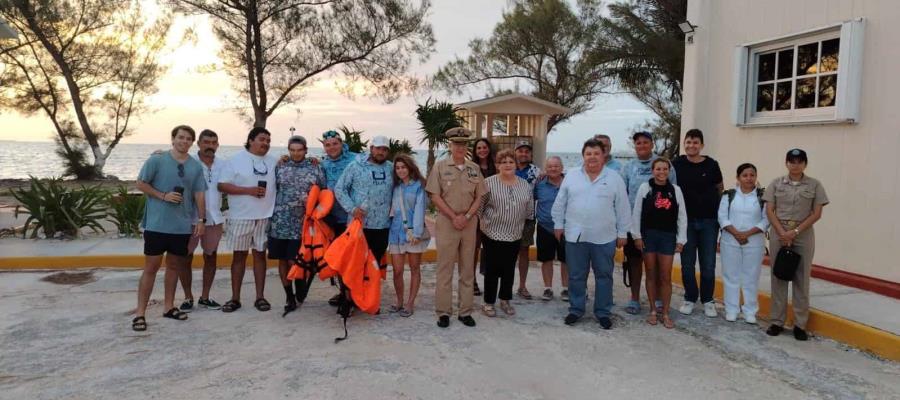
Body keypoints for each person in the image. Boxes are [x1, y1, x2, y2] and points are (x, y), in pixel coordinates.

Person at [132, 125, 207, 331]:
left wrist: (201, 220)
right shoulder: (157, 160)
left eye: (188, 139)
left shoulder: (195, 166)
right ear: (173, 139)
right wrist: (163, 195)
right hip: (157, 224)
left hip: (181, 226)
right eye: (181, 137)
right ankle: (140, 313)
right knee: (151, 268)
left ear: (192, 142)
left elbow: (199, 193)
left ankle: (168, 307)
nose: (184, 141)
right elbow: (140, 183)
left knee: (174, 267)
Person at [552, 139, 631, 329]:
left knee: (604, 275)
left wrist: (623, 232)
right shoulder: (571, 176)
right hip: (575, 235)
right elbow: (560, 202)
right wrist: (558, 224)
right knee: (576, 275)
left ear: (603, 156)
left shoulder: (614, 178)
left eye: (596, 153)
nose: (592, 157)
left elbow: (623, 208)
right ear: (583, 156)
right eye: (588, 154)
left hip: (604, 237)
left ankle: (603, 312)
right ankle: (576, 309)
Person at [763, 149, 828, 341]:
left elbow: (816, 213)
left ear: (805, 164)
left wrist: (795, 232)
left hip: (803, 235)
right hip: (779, 233)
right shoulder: (776, 183)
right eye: (792, 161)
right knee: (779, 277)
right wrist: (783, 233)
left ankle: (800, 324)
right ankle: (776, 321)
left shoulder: (815, 185)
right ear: (786, 163)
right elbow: (769, 209)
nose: (795, 165)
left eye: (799, 161)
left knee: (802, 279)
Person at [426, 127, 486, 328]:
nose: (460, 147)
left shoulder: (474, 169)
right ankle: (443, 312)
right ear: (450, 145)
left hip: (469, 223)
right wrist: (454, 217)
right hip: (447, 222)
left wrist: (467, 216)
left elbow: (479, 196)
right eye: (456, 143)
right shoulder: (440, 167)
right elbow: (435, 195)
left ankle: (465, 311)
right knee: (445, 269)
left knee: (467, 268)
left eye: (463, 143)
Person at [217, 127, 277, 313]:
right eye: (261, 139)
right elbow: (222, 185)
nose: (265, 143)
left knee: (260, 256)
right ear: (251, 140)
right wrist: (248, 190)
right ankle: (235, 298)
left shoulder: (274, 161)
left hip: (265, 216)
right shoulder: (235, 160)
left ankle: (260, 297)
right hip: (241, 217)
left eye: (268, 140)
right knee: (239, 257)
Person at [620, 131, 677, 315]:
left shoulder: (664, 165)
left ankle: (659, 299)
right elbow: (622, 195)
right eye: (638, 143)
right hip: (634, 224)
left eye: (645, 142)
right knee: (635, 263)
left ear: (652, 144)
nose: (642, 146)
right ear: (635, 146)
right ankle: (635, 299)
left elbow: (674, 193)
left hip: (660, 225)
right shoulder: (628, 167)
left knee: (658, 265)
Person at [269, 135, 326, 315]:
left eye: (299, 150)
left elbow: (323, 192)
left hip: (302, 224)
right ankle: (289, 296)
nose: (295, 153)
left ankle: (301, 290)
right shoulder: (280, 166)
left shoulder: (315, 167)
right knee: (283, 260)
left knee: (298, 260)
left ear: (306, 150)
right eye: (292, 150)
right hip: (279, 222)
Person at [672, 129, 724, 318]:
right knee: (687, 264)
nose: (691, 145)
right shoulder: (676, 164)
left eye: (695, 142)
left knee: (708, 263)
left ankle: (708, 300)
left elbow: (720, 188)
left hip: (709, 221)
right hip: (685, 222)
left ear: (701, 145)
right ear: (684, 144)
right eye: (688, 142)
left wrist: (719, 215)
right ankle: (690, 297)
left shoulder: (712, 165)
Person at [630, 158, 687, 329]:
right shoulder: (644, 188)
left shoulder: (676, 190)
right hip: (649, 236)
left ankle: (666, 313)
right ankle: (653, 310)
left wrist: (681, 239)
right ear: (652, 171)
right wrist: (637, 236)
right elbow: (637, 213)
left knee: (665, 275)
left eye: (665, 169)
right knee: (651, 273)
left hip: (668, 236)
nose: (661, 172)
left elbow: (682, 217)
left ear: (669, 171)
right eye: (658, 169)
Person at [479, 149, 534, 317]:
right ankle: (488, 302)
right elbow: (480, 206)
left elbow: (529, 209)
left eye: (511, 162)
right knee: (492, 269)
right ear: (497, 165)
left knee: (509, 269)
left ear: (516, 165)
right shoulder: (488, 183)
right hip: (491, 234)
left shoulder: (524, 184)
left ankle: (505, 299)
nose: (507, 165)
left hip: (515, 234)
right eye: (503, 162)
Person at [177, 129, 224, 312]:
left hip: (215, 219)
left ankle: (205, 297)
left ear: (217, 145)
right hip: (190, 219)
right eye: (206, 142)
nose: (210, 146)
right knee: (185, 258)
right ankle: (188, 297)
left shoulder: (223, 164)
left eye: (213, 143)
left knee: (211, 257)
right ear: (199, 144)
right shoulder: (188, 163)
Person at [334, 136, 394, 274]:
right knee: (355, 264)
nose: (381, 152)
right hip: (358, 225)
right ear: (371, 148)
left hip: (382, 226)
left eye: (385, 149)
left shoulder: (391, 168)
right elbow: (340, 189)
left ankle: (369, 295)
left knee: (374, 265)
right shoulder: (355, 166)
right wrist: (352, 209)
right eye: (378, 148)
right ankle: (351, 295)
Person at [718, 163, 768, 324]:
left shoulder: (762, 197)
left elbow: (766, 220)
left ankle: (750, 310)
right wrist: (736, 233)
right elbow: (722, 217)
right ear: (738, 178)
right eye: (745, 175)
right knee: (731, 275)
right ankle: (732, 309)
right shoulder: (729, 195)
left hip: (754, 242)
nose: (749, 178)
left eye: (752, 175)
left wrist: (747, 233)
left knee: (751, 276)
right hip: (730, 240)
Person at [320, 130, 362, 306]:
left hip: (353, 218)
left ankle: (356, 295)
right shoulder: (323, 164)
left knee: (354, 259)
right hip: (333, 218)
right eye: (327, 145)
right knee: (338, 258)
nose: (331, 148)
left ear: (341, 143)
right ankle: (344, 292)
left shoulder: (356, 160)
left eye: (335, 144)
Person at [388, 154, 430, 317]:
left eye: (403, 167)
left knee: (414, 269)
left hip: (413, 233)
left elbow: (420, 209)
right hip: (395, 233)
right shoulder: (395, 187)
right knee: (397, 271)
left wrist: (417, 232)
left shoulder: (419, 186)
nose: (400, 170)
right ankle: (399, 301)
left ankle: (410, 303)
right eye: (397, 168)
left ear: (410, 167)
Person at [534, 156, 568, 301]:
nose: (553, 169)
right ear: (545, 169)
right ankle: (548, 288)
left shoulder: (570, 183)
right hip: (544, 227)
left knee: (566, 260)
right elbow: (531, 200)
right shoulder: (539, 184)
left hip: (566, 228)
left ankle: (566, 288)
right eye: (550, 166)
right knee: (546, 259)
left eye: (556, 166)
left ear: (562, 168)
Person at [513, 140, 541, 300]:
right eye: (520, 150)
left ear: (530, 154)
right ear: (515, 152)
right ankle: (506, 285)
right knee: (508, 252)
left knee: (523, 252)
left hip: (528, 218)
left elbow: (540, 192)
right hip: (507, 218)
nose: (523, 154)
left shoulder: (537, 172)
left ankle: (522, 286)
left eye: (527, 151)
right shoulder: (508, 168)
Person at [470, 138, 496, 296]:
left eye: (484, 147)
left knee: (490, 250)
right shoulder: (471, 168)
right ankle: (471, 280)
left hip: (492, 214)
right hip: (475, 214)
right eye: (478, 148)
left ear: (489, 149)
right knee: (473, 249)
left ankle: (489, 280)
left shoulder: (496, 167)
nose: (482, 150)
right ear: (475, 151)